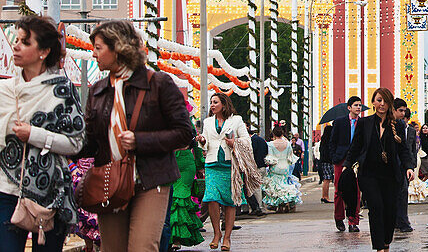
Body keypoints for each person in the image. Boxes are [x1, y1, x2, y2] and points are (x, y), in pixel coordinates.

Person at [81, 20, 195, 252]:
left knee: (143, 247)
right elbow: (90, 141)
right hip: (110, 182)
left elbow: (185, 133)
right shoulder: (98, 90)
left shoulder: (159, 84)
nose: (94, 54)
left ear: (118, 48)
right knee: (112, 249)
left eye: (98, 47)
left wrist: (140, 140)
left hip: (151, 180)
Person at [0, 16, 83, 252]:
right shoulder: (5, 90)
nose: (16, 46)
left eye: (25, 42)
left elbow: (75, 143)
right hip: (6, 189)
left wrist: (34, 134)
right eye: (16, 40)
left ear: (43, 51)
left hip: (50, 194)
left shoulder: (61, 90)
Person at [346, 88, 414, 252]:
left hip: (391, 175)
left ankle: (386, 243)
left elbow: (404, 149)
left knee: (390, 210)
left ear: (389, 102)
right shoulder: (365, 123)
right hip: (369, 174)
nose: (381, 104)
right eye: (378, 100)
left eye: (385, 100)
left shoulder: (397, 124)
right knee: (376, 208)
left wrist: (409, 167)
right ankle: (378, 247)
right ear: (373, 102)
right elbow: (355, 147)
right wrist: (347, 166)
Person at [197, 93, 256, 252]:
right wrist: (202, 141)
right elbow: (206, 143)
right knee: (211, 198)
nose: (212, 105)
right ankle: (216, 233)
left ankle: (227, 237)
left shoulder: (236, 120)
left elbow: (247, 141)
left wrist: (234, 142)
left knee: (230, 202)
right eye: (211, 102)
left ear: (224, 104)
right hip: (212, 164)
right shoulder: (208, 122)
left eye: (215, 102)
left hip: (230, 165)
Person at [330, 95, 364, 232]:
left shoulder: (363, 123)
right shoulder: (339, 122)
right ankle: (339, 218)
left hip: (355, 160)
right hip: (341, 160)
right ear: (349, 107)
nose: (358, 108)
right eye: (356, 105)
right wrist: (335, 157)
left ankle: (353, 221)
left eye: (360, 105)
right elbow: (332, 142)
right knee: (339, 190)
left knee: (355, 191)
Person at [261, 124, 302, 212]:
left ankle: (279, 204)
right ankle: (287, 202)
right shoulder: (288, 144)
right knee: (285, 185)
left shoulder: (270, 144)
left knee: (276, 186)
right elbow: (291, 157)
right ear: (282, 134)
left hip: (275, 166)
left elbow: (270, 158)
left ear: (274, 134)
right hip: (285, 167)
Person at [391, 98, 416, 233]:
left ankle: (403, 221)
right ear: (393, 110)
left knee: (402, 192)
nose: (403, 113)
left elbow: (404, 148)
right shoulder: (383, 123)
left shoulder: (401, 125)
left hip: (400, 165)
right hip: (387, 165)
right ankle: (394, 220)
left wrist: (409, 167)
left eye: (404, 111)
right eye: (400, 111)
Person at [317, 124, 335, 203]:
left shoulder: (323, 141)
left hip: (323, 161)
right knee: (327, 179)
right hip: (327, 161)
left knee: (326, 179)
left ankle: (324, 196)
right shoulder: (328, 142)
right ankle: (325, 196)